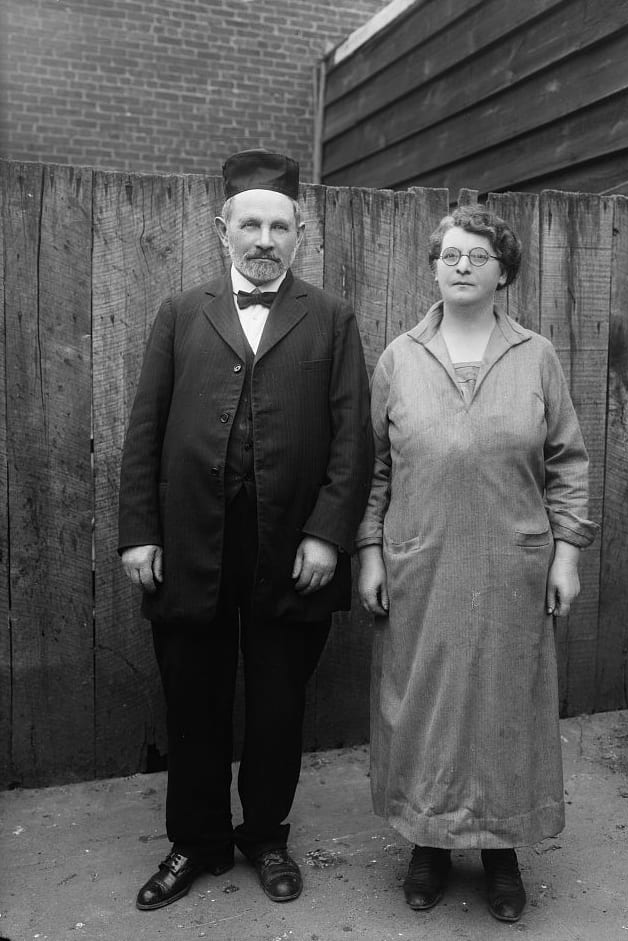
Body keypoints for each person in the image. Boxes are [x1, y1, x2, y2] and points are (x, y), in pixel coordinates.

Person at [118, 149, 372, 911]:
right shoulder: (180, 312)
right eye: (251, 223)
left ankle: (265, 833)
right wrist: (139, 532)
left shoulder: (331, 317)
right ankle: (195, 840)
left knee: (277, 701)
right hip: (190, 542)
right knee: (193, 699)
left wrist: (328, 534)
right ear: (222, 228)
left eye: (280, 226)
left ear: (302, 234)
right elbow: (145, 428)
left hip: (290, 550)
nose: (265, 239)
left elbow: (352, 437)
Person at [356, 205, 598, 923]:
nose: (463, 265)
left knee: (504, 706)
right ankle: (426, 844)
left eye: (478, 256)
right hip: (417, 563)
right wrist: (369, 548)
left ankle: (500, 852)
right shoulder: (400, 356)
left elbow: (567, 462)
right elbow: (374, 468)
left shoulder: (536, 356)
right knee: (420, 703)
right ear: (433, 266)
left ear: (503, 272)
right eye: (451, 254)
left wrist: (568, 551)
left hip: (511, 562)